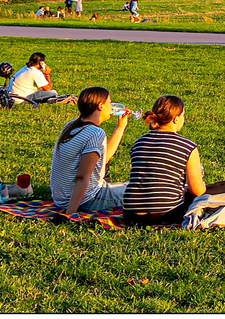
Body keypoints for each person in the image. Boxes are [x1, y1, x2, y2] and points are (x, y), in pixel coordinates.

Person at [121, 95, 209, 227]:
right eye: (183, 116)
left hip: (131, 213)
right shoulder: (187, 146)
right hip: (167, 212)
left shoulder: (138, 143)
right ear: (176, 118)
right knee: (198, 199)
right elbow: (197, 190)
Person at [50, 86, 131, 219]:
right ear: (100, 106)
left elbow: (101, 160)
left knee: (127, 186)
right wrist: (70, 213)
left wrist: (120, 127)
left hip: (61, 198)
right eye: (109, 102)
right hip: (87, 200)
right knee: (143, 191)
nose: (112, 107)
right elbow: (82, 176)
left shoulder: (71, 125)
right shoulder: (95, 133)